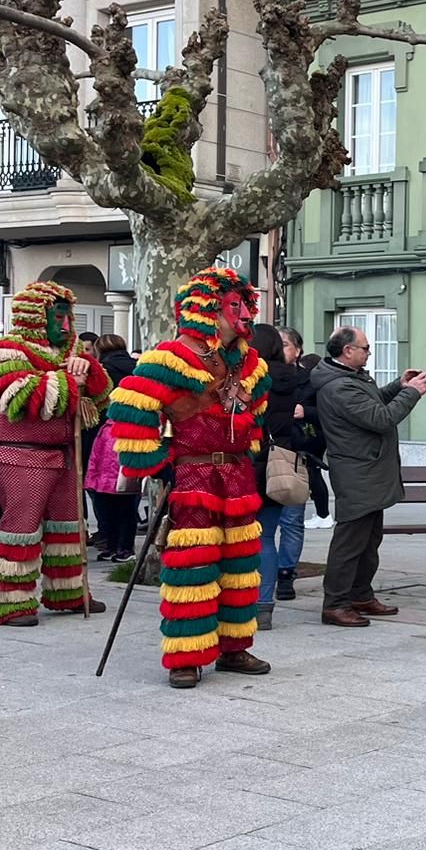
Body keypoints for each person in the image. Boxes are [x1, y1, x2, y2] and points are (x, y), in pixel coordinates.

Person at [108, 268, 270, 688]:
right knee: (192, 564)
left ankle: (234, 647)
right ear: (209, 311)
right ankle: (187, 656)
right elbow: (131, 407)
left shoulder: (249, 362)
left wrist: (249, 441)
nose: (245, 314)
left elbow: (258, 409)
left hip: (236, 477)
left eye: (245, 305)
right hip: (195, 475)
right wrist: (157, 461)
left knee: (240, 564)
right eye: (235, 306)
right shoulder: (171, 357)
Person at [0, 281, 111, 625]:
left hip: (65, 453)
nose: (67, 325)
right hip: (21, 455)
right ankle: (12, 602)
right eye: (58, 317)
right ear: (35, 318)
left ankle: (68, 592)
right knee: (20, 528)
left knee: (68, 525)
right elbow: (17, 398)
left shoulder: (73, 354)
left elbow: (99, 401)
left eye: (67, 316)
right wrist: (71, 381)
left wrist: (91, 373)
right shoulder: (7, 350)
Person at [310, 326, 426, 627]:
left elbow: (373, 402)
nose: (368, 351)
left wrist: (399, 386)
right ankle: (335, 603)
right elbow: (380, 418)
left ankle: (360, 594)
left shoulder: (350, 378)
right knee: (350, 542)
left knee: (369, 540)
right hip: (356, 472)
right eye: (365, 347)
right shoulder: (338, 386)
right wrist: (412, 393)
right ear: (347, 351)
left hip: (368, 470)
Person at [250, 324, 309, 629]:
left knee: (246, 537)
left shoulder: (252, 379)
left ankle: (244, 601)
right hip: (276, 465)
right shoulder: (292, 378)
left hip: (249, 464)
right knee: (267, 538)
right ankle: (264, 607)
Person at [84, 334, 139, 562]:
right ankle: (123, 546)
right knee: (126, 493)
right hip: (134, 435)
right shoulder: (138, 368)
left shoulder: (102, 371)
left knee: (106, 494)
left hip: (107, 434)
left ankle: (114, 543)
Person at [294, 347, 334, 529]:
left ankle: (323, 514)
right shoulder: (314, 385)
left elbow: (326, 412)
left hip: (312, 434)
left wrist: (305, 412)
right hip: (312, 432)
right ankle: (322, 513)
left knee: (313, 471)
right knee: (312, 471)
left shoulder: (315, 386)